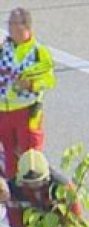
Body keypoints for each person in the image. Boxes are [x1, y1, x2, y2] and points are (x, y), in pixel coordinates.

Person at [0, 8, 56, 179]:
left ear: (26, 26)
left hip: (27, 111)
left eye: (13, 24)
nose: (9, 28)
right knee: (9, 158)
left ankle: (33, 195)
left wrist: (31, 85)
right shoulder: (4, 49)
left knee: (30, 157)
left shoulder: (39, 51)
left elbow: (49, 80)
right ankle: (12, 200)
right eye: (8, 23)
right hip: (3, 111)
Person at [6, 149, 80, 227]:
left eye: (38, 182)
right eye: (29, 183)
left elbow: (76, 220)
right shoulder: (14, 191)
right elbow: (16, 225)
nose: (34, 186)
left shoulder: (64, 188)